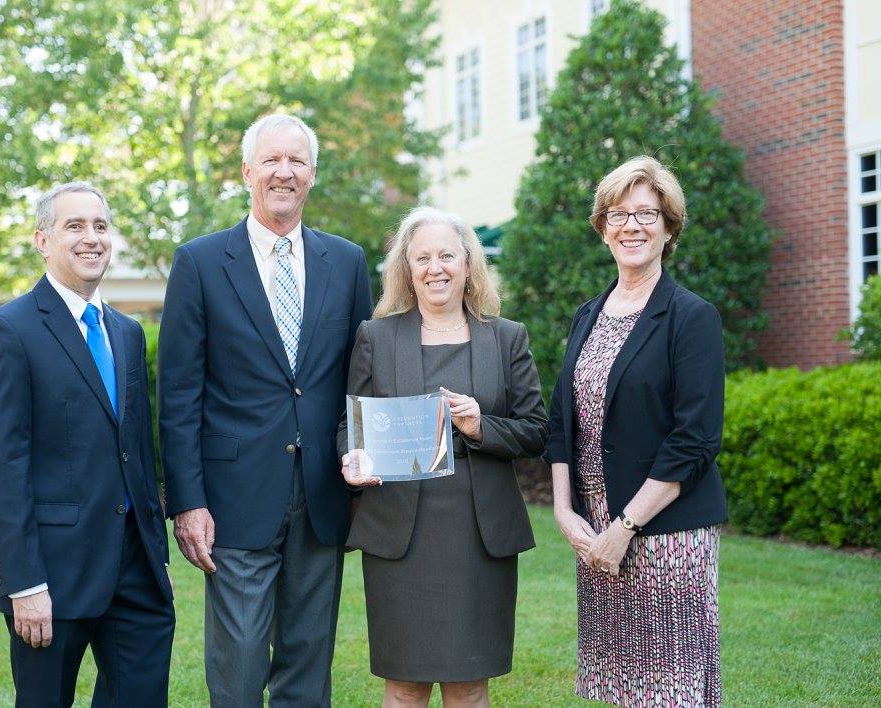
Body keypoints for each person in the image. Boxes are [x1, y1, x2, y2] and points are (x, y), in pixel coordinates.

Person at [158, 113, 372, 707]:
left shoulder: (347, 261)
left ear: (312, 175)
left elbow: (361, 379)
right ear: (248, 171)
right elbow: (178, 395)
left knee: (309, 661)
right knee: (240, 662)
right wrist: (188, 501)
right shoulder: (199, 263)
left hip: (323, 493)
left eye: (297, 161)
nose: (284, 172)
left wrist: (358, 471)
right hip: (232, 497)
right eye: (272, 160)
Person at [0, 182, 175, 706]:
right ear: (42, 240)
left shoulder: (127, 331)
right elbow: (2, 465)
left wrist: (156, 549)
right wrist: (24, 584)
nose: (92, 238)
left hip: (137, 570)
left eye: (101, 226)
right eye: (75, 226)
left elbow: (135, 448)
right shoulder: (9, 330)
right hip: (52, 575)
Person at [337, 207, 548, 708]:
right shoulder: (377, 337)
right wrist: (352, 457)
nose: (436, 267)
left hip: (478, 538)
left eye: (447, 255)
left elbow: (537, 431)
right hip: (400, 537)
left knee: (469, 686)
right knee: (404, 685)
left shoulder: (506, 337)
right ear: (406, 270)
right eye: (423, 257)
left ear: (468, 264)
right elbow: (351, 425)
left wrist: (482, 426)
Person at [546, 156, 727, 706]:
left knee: (668, 689)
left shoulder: (691, 317)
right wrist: (564, 512)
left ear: (669, 228)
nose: (633, 226)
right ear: (603, 229)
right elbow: (562, 421)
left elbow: (694, 440)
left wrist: (625, 527)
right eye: (620, 214)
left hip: (665, 534)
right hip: (595, 531)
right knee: (619, 687)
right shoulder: (588, 316)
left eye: (647, 214)